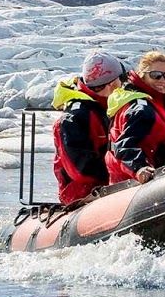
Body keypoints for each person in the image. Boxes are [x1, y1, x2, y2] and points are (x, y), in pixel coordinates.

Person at [51, 49, 124, 205]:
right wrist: (120, 169)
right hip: (83, 195)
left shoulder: (111, 108)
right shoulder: (74, 118)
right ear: (111, 84)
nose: (122, 86)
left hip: (114, 186)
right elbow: (81, 170)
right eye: (119, 81)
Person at [106, 51, 165, 185]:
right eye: (155, 75)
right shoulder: (140, 108)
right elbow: (125, 145)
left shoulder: (151, 103)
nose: (162, 80)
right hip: (135, 185)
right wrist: (139, 168)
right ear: (142, 76)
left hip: (149, 180)